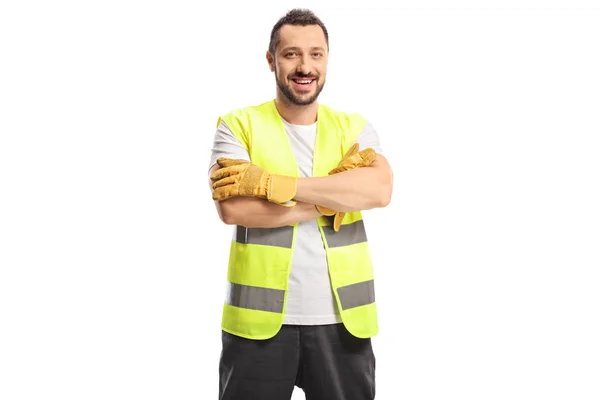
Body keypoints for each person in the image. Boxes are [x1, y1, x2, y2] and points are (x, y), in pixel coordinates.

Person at [207, 8, 393, 400]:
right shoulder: (237, 125)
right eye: (291, 54)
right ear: (271, 60)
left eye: (316, 54)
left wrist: (273, 184)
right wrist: (333, 196)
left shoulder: (354, 128)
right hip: (256, 328)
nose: (305, 66)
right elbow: (235, 210)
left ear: (327, 59)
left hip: (343, 323)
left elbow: (379, 191)